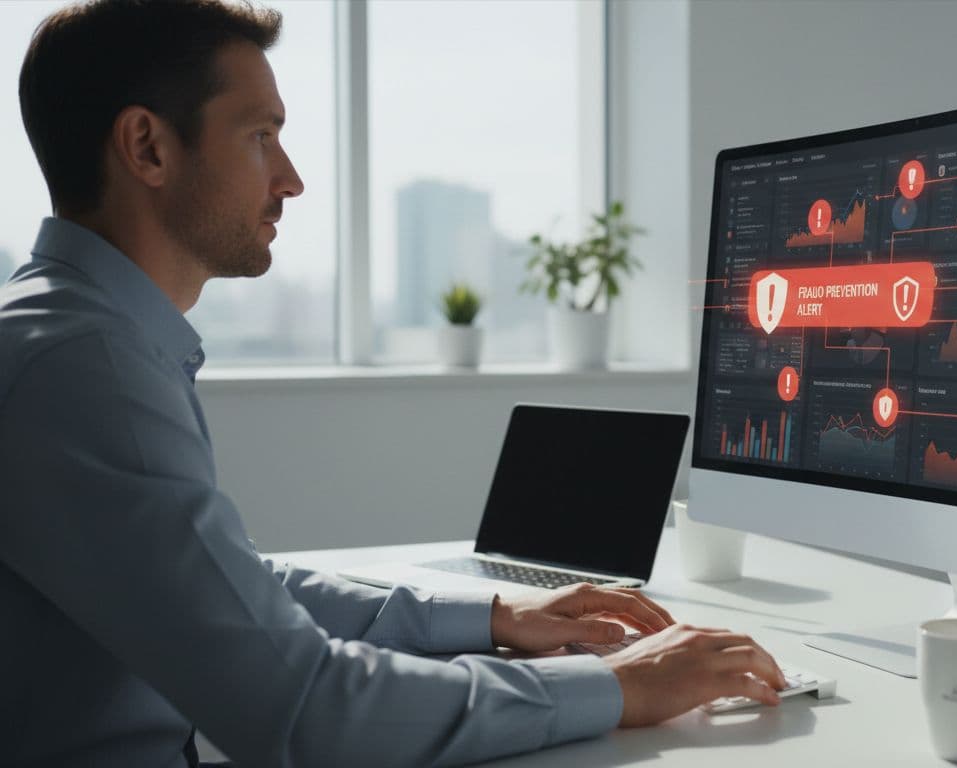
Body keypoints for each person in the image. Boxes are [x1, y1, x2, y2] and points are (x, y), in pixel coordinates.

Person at [0, 1, 787, 766]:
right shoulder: (85, 368)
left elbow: (229, 590)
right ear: (147, 147)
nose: (291, 177)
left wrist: (493, 616)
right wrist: (615, 683)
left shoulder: (78, 336)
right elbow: (307, 710)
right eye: (261, 136)